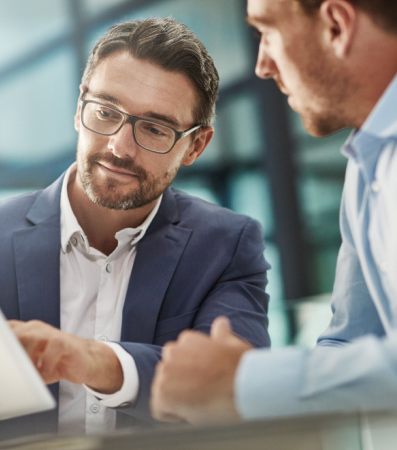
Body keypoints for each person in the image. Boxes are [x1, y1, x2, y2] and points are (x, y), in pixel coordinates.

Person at [0, 18, 271, 444]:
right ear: (80, 107)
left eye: (154, 128)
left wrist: (93, 361)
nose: (120, 147)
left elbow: (237, 385)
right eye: (106, 112)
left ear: (196, 146)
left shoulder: (227, 246)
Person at [151, 0, 397, 424]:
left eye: (268, 30)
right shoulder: (367, 164)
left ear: (336, 25)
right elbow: (349, 344)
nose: (262, 65)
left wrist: (247, 383)